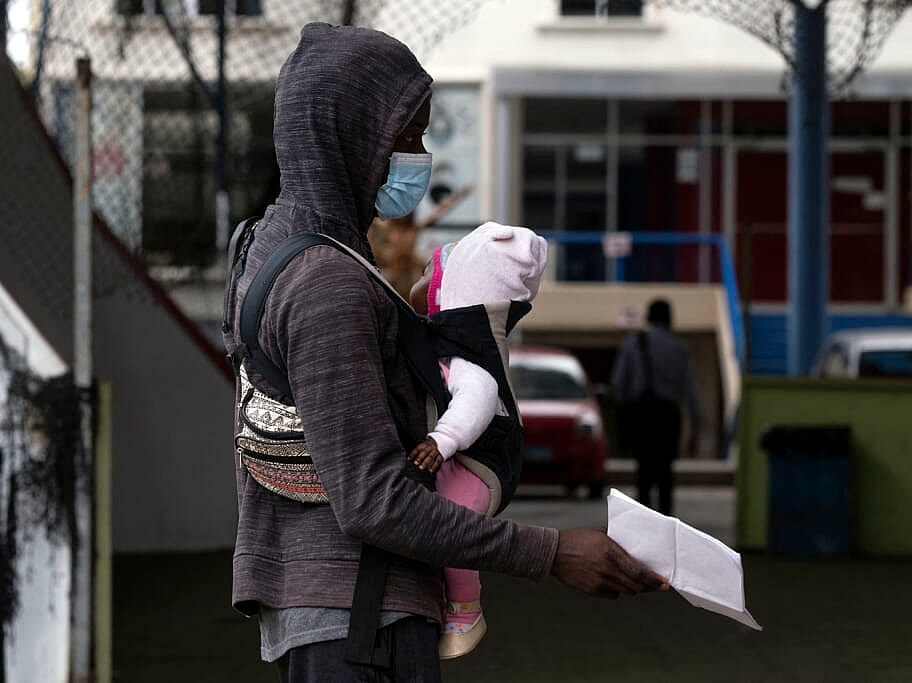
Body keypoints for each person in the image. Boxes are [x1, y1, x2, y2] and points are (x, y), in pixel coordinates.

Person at [222, 22, 668, 682]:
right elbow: (373, 501)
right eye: (405, 138)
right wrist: (552, 552)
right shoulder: (328, 285)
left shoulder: (264, 246)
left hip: (330, 615)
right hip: (362, 626)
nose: (417, 158)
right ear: (348, 135)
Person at [407, 222, 548, 659]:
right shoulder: (449, 340)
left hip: (480, 466)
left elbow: (478, 399)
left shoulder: (473, 357)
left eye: (437, 281)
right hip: (462, 456)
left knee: (454, 527)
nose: (426, 289)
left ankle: (467, 609)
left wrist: (442, 440)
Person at [610, 298, 701, 516]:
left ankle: (645, 521)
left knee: (643, 471)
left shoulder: (633, 344)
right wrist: (695, 429)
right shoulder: (680, 349)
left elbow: (618, 384)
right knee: (665, 472)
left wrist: (624, 416)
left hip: (642, 414)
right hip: (669, 415)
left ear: (648, 318)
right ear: (670, 319)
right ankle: (666, 518)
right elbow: (690, 392)